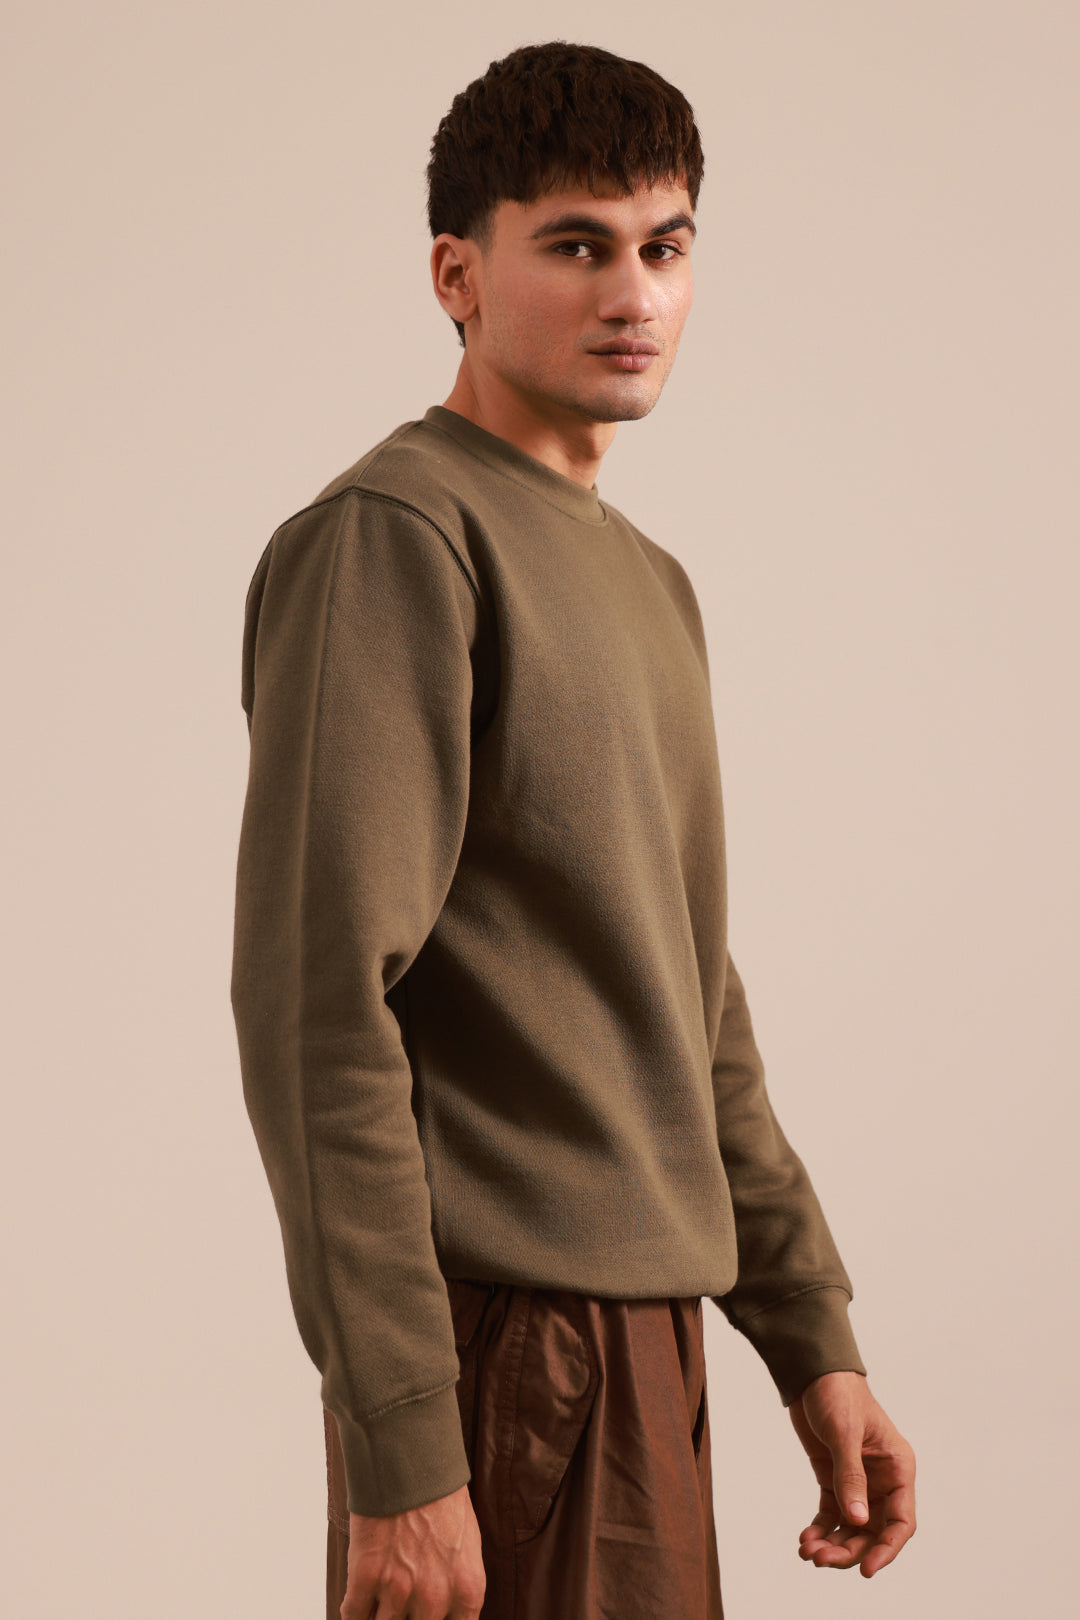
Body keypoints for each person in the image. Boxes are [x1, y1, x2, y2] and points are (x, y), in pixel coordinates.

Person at [230, 39, 916, 1620]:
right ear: (456, 276)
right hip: (510, 1351)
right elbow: (319, 1005)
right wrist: (406, 1443)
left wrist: (812, 1339)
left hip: (642, 1339)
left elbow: (686, 998)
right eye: (578, 246)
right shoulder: (399, 537)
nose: (633, 293)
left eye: (664, 248)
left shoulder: (649, 581)